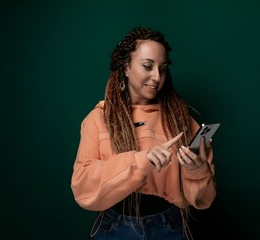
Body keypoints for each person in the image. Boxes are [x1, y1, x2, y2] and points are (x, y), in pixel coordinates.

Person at [71, 26, 217, 240]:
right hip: (114, 228)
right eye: (147, 66)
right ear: (126, 67)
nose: (157, 77)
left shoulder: (182, 121)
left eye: (163, 68)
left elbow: (204, 200)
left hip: (170, 226)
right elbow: (82, 186)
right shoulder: (98, 119)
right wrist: (141, 160)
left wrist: (197, 171)